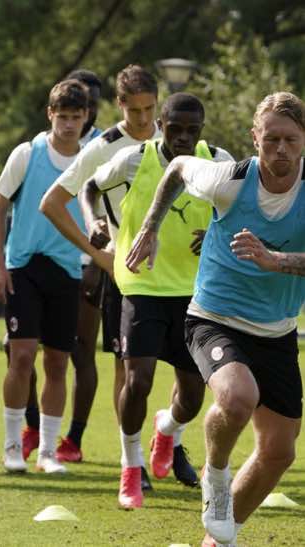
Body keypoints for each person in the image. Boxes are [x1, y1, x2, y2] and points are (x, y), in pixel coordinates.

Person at [126, 91, 304, 546]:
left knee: (279, 452)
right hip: (214, 318)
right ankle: (216, 476)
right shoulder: (228, 179)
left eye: (290, 140)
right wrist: (149, 227)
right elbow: (177, 169)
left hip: (277, 331)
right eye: (271, 140)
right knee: (238, 396)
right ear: (255, 137)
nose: (280, 150)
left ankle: (219, 539)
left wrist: (276, 262)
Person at [41, 92, 234, 509]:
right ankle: (130, 466)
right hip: (140, 285)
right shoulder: (133, 160)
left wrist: (216, 235)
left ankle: (168, 430)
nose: (183, 137)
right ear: (161, 124)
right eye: (175, 127)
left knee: (192, 396)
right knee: (138, 380)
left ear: (201, 129)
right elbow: (89, 188)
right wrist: (94, 221)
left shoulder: (218, 161)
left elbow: (237, 209)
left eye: (192, 129)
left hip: (195, 291)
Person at [41, 65, 163, 485]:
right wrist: (99, 255)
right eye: (135, 110)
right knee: (128, 371)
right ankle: (134, 463)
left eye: (151, 109)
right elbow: (53, 203)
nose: (144, 121)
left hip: (180, 277)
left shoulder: (176, 140)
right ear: (119, 104)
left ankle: (171, 438)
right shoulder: (103, 147)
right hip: (126, 277)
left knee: (194, 373)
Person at [0, 80, 89, 474]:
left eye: (75, 117)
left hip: (67, 270)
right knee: (22, 356)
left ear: (85, 118)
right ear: (50, 115)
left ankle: (48, 452)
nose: (68, 125)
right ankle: (13, 445)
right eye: (61, 116)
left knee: (59, 363)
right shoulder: (27, 154)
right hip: (23, 267)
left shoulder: (91, 161)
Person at [11, 69, 105, 463]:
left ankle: (74, 438)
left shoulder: (104, 147)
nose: (74, 118)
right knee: (20, 351)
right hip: (45, 262)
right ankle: (32, 428)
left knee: (79, 354)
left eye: (86, 106)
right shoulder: (36, 148)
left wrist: (97, 266)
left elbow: (108, 212)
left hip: (88, 265)